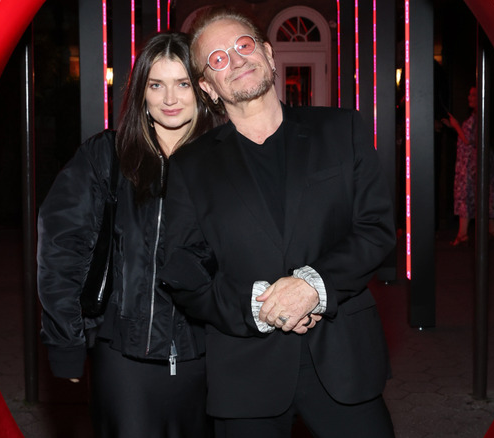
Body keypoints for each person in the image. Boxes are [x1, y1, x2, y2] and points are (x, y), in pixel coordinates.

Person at [159, 7, 397, 437]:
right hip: (246, 372)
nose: (235, 59)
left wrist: (313, 286)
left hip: (344, 359)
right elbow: (182, 271)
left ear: (268, 55)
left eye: (243, 45)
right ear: (209, 88)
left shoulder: (341, 129)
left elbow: (376, 230)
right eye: (217, 59)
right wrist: (259, 307)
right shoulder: (189, 167)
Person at [37, 31, 219, 438]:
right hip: (124, 355)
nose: (169, 98)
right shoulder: (106, 156)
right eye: (156, 84)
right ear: (141, 91)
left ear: (202, 89)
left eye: (182, 84)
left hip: (209, 354)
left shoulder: (227, 159)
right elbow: (61, 248)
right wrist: (65, 341)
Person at [443, 86, 494, 246]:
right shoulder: (477, 116)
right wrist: (454, 126)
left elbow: (472, 140)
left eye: (473, 95)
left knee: (471, 194)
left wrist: (456, 126)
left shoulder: (481, 117)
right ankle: (490, 231)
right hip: (471, 163)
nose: (469, 97)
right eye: (469, 94)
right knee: (477, 195)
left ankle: (464, 234)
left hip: (474, 163)